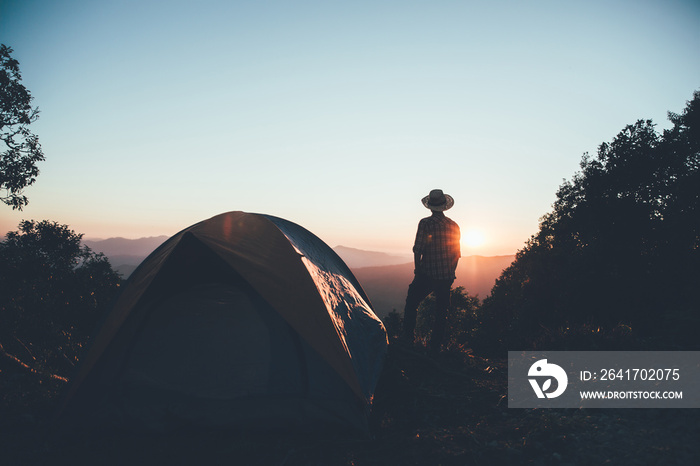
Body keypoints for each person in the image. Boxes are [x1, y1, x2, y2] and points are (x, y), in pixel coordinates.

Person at [402, 189, 461, 355]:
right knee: (441, 312)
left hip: (427, 274)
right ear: (444, 206)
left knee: (412, 303)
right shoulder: (454, 225)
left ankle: (408, 340)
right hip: (446, 276)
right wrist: (451, 273)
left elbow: (417, 250)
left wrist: (417, 270)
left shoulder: (425, 223)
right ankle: (435, 348)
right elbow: (456, 254)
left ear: (430, 207)